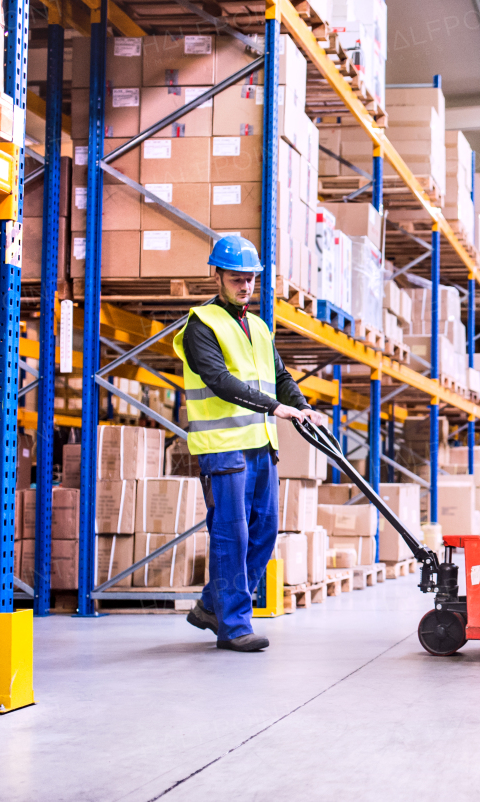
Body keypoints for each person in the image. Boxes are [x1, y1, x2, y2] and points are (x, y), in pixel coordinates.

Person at [172, 235, 327, 652]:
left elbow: (280, 377)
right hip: (222, 447)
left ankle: (211, 605)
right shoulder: (200, 325)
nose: (245, 287)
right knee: (232, 534)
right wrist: (276, 408)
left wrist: (301, 406)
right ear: (217, 276)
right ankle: (235, 626)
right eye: (238, 279)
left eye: (251, 280)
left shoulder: (257, 326)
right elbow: (220, 381)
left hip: (260, 444)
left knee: (265, 531)